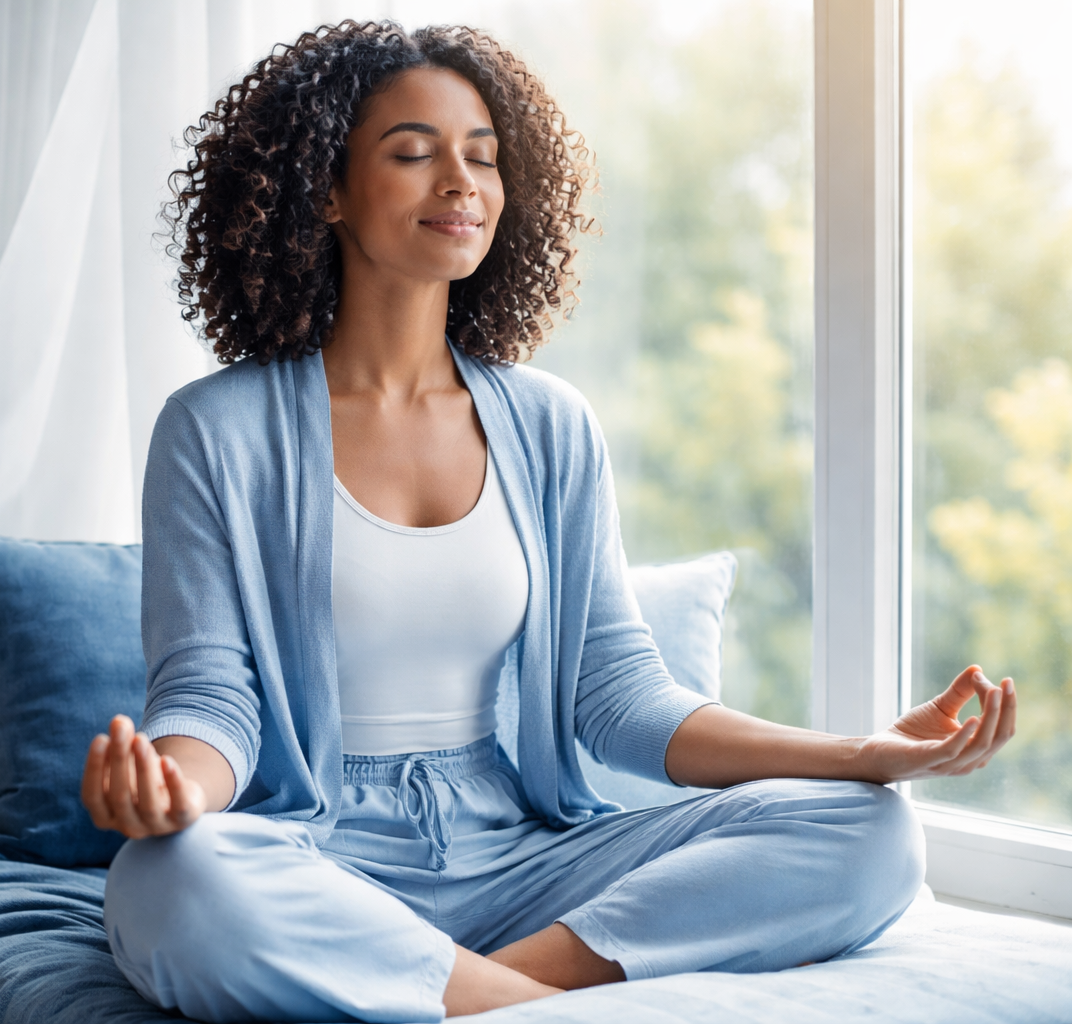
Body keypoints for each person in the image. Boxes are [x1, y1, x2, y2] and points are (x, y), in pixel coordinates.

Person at [82, 21, 1017, 1024]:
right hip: (320, 855)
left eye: (482, 155)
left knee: (870, 835)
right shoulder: (215, 430)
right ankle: (505, 998)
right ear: (326, 189)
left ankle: (483, 989)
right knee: (165, 882)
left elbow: (622, 698)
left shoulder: (550, 425)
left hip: (521, 858)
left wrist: (861, 754)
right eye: (413, 153)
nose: (462, 181)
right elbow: (212, 695)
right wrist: (169, 792)